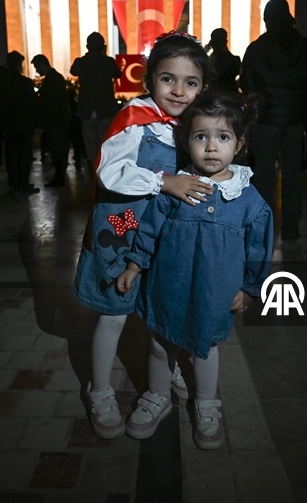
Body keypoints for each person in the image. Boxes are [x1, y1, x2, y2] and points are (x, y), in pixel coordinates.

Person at [74, 32, 214, 439]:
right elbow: (108, 171)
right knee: (113, 313)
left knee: (161, 312)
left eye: (191, 82)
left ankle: (163, 373)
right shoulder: (135, 118)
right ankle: (98, 389)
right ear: (149, 79)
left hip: (165, 237)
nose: (179, 90)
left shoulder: (195, 123)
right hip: (120, 233)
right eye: (168, 78)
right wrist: (163, 181)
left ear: (203, 86)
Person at [117, 91, 273, 449]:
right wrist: (134, 266)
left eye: (223, 137)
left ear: (239, 142)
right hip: (168, 285)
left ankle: (206, 401)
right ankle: (158, 396)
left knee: (205, 348)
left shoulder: (247, 198)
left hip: (213, 292)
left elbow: (258, 248)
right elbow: (150, 229)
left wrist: (251, 287)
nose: (211, 147)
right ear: (186, 141)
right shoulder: (177, 186)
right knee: (160, 345)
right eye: (201, 136)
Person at [240, 0, 307, 242]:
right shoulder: (304, 45)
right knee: (293, 176)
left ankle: (265, 227)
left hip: (266, 120)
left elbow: (246, 83)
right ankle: (291, 229)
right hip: (294, 120)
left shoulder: (257, 48)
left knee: (264, 175)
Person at [71, 32, 122, 168]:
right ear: (102, 46)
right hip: (105, 109)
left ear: (87, 46)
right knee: (105, 143)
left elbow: (73, 71)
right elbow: (118, 74)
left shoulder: (81, 62)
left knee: (89, 143)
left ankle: (92, 168)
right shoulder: (108, 62)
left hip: (86, 109)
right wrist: (103, 55)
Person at [0, 51, 40, 193]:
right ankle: (23, 183)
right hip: (24, 124)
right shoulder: (24, 82)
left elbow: (0, 105)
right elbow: (33, 105)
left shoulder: (1, 83)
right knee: (24, 155)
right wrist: (37, 123)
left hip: (9, 124)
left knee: (11, 153)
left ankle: (14, 181)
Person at [33, 54, 71, 187]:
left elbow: (50, 103)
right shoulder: (55, 78)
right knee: (58, 151)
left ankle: (59, 178)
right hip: (57, 121)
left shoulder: (52, 79)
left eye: (37, 67)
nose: (37, 71)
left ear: (42, 64)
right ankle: (59, 177)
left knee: (57, 151)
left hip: (55, 122)